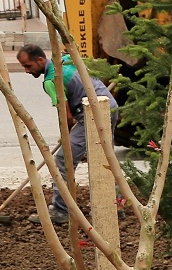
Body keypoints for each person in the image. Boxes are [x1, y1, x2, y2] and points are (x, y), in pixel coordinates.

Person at [16, 43, 118, 225]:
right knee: (105, 158)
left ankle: (61, 211)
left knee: (63, 160)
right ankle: (115, 205)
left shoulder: (50, 80)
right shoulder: (65, 60)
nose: (26, 71)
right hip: (108, 105)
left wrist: (66, 135)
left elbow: (66, 116)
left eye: (28, 66)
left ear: (40, 60)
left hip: (92, 115)